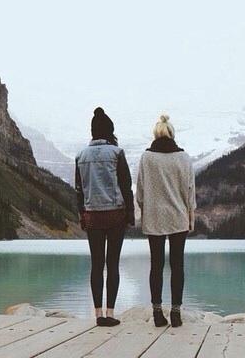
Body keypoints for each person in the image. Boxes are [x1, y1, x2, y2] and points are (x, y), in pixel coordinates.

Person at [75, 107, 135, 327]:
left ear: (92, 131)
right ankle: (110, 313)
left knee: (96, 264)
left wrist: (82, 214)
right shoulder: (117, 153)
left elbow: (79, 190)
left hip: (92, 216)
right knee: (113, 264)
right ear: (110, 130)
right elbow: (126, 186)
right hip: (115, 214)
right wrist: (130, 214)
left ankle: (98, 314)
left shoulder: (81, 156)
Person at [136, 114, 196, 327]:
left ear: (155, 135)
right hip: (178, 217)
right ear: (172, 134)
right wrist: (191, 217)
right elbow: (190, 191)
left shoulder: (146, 158)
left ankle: (157, 313)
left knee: (156, 265)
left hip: (154, 218)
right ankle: (176, 313)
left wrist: (145, 210)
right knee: (177, 265)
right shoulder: (184, 158)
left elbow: (140, 192)